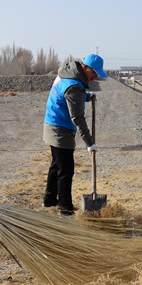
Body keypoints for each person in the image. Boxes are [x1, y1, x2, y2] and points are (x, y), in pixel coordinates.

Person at [42, 53, 107, 214]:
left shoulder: (68, 74)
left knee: (56, 164)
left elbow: (69, 96)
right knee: (66, 169)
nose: (96, 76)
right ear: (85, 68)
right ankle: (65, 208)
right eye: (94, 72)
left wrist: (86, 96)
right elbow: (77, 117)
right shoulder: (74, 86)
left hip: (52, 123)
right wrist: (89, 142)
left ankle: (49, 200)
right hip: (60, 129)